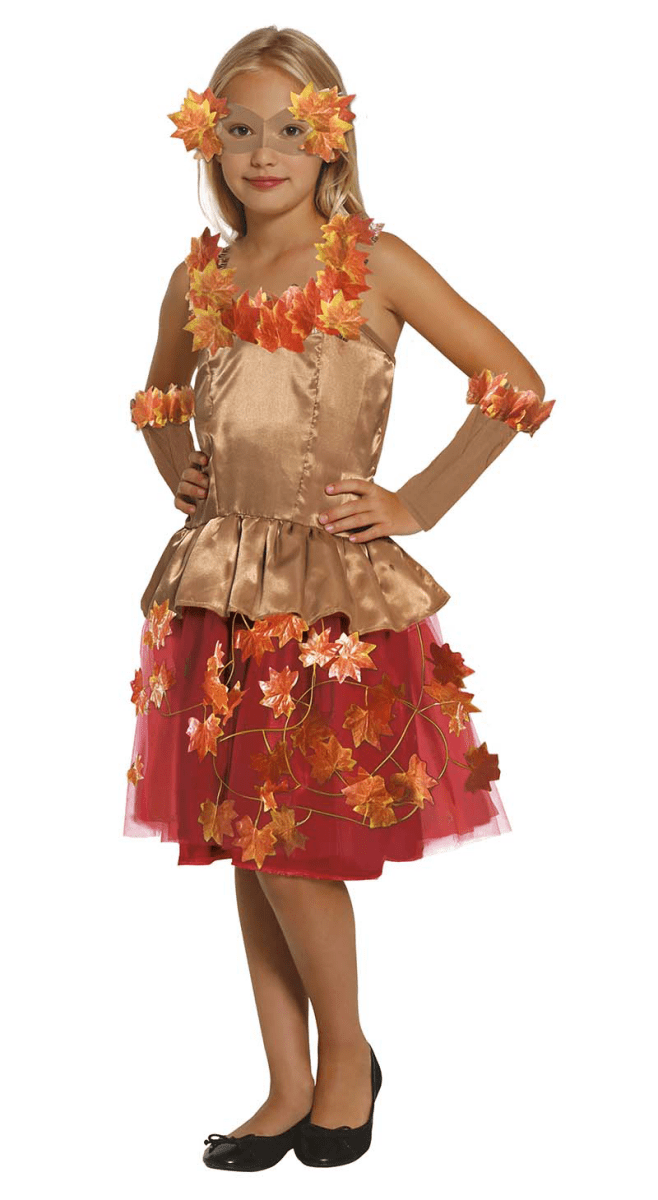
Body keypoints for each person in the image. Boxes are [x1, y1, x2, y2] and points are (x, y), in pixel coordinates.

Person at [124, 26, 556, 1172]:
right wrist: (178, 471)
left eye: (288, 130)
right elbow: (158, 397)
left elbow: (512, 385)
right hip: (220, 586)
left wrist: (417, 501)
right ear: (209, 141)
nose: (262, 153)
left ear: (330, 140)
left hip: (324, 603)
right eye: (238, 130)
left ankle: (347, 1059)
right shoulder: (200, 277)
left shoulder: (372, 263)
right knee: (242, 841)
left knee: (288, 844)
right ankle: (286, 1080)